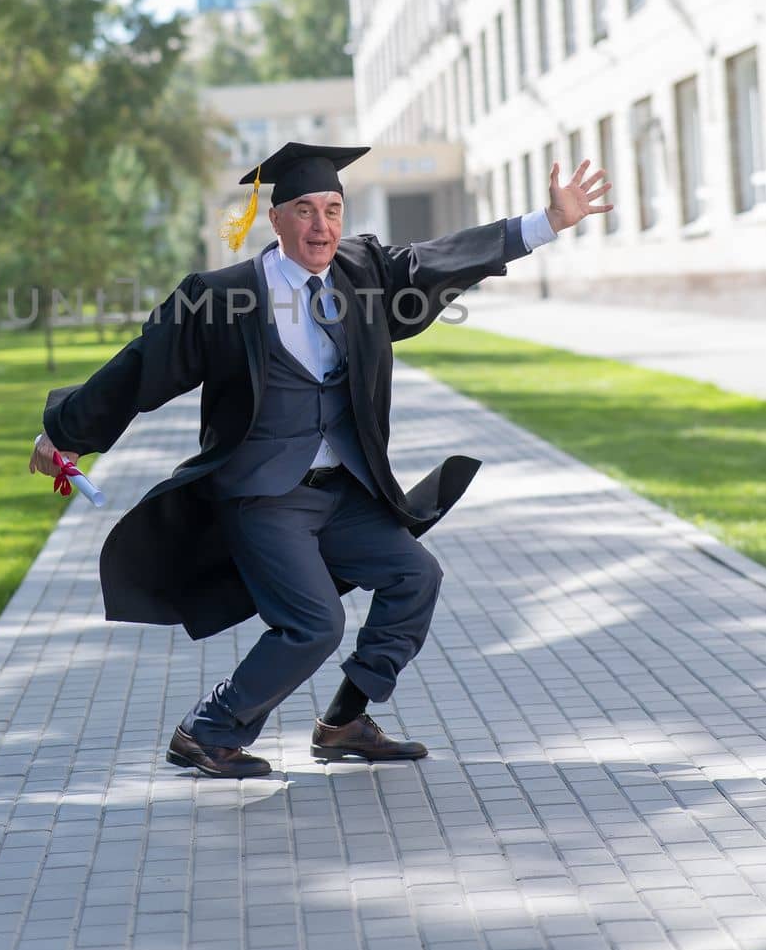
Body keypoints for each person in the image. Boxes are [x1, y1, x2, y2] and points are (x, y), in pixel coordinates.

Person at [31, 143, 613, 778]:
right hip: (262, 496)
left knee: (415, 577)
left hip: (343, 491)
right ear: (275, 219)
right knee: (314, 623)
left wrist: (545, 223)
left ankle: (343, 722)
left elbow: (438, 258)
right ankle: (208, 730)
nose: (321, 226)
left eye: (333, 209)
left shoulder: (362, 271)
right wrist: (66, 432)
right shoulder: (222, 298)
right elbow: (142, 366)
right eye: (305, 210)